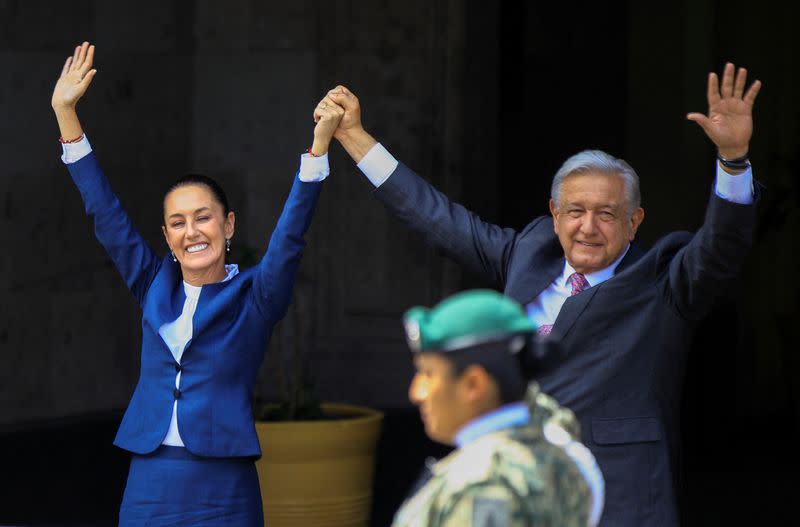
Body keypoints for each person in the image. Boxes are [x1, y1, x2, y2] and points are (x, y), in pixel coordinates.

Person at [318, 63, 761, 526]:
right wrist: (354, 138)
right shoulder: (529, 252)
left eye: (607, 214)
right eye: (575, 211)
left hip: (620, 496)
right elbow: (436, 218)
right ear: (553, 213)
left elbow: (721, 250)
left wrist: (733, 159)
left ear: (634, 222)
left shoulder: (665, 279)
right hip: (518, 492)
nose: (588, 227)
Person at [51, 42, 342, 526]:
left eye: (203, 218)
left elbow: (290, 237)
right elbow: (105, 214)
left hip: (223, 484)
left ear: (228, 226)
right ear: (166, 236)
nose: (192, 232)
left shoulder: (256, 295)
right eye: (178, 222)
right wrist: (66, 114)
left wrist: (317, 152)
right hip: (150, 477)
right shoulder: (152, 282)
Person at [392, 289, 603, 527]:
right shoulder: (561, 455)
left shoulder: (483, 482)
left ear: (474, 384)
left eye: (428, 374)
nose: (416, 393)